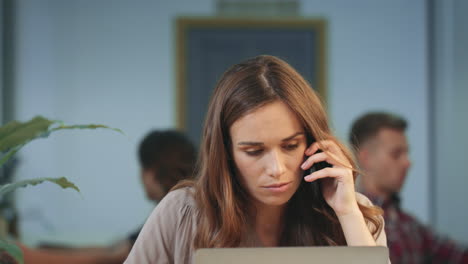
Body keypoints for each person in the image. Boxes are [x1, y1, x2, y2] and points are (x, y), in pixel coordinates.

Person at [124, 55, 388, 264]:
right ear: (225, 152)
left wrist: (347, 212)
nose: (276, 169)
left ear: (313, 142)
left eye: (291, 145)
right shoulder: (182, 212)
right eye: (254, 151)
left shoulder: (352, 212)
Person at [14, 130, 197, 264]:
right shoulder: (175, 207)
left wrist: (27, 256)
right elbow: (116, 248)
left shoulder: (174, 209)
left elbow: (115, 257)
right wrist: (43, 249)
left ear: (151, 172)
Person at [349, 111, 468, 263]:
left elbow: (456, 255)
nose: (408, 162)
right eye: (396, 154)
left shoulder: (409, 225)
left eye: (406, 153)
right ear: (366, 158)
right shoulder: (349, 221)